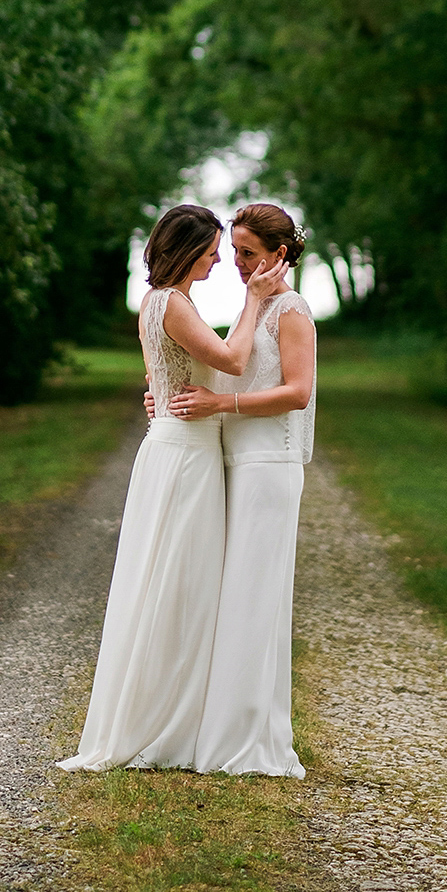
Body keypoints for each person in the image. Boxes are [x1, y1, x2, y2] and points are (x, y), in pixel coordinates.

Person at [59, 203, 285, 773]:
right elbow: (233, 361)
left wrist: (161, 395)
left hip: (184, 448)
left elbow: (167, 375)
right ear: (188, 251)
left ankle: (177, 719)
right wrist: (256, 301)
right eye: (213, 249)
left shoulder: (164, 303)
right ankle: (159, 724)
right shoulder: (173, 304)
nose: (219, 259)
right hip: (184, 458)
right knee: (174, 584)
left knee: (182, 584)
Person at [168, 203, 316, 778]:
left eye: (248, 253)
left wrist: (221, 404)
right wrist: (175, 399)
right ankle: (219, 730)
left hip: (269, 466)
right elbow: (226, 368)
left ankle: (249, 736)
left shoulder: (294, 312)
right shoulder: (254, 307)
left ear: (279, 255)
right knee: (233, 598)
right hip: (236, 459)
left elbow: (297, 393)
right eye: (233, 251)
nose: (235, 263)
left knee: (257, 598)